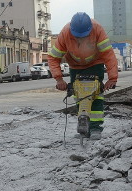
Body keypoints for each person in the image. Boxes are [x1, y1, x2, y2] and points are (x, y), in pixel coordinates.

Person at [48, 12, 118, 140]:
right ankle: (84, 127)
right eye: (77, 37)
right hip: (75, 67)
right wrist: (59, 79)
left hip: (95, 65)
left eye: (83, 36)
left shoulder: (97, 30)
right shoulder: (65, 33)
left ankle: (95, 127)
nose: (80, 39)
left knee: (95, 96)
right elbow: (53, 57)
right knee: (80, 96)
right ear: (72, 30)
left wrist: (112, 78)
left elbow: (108, 55)